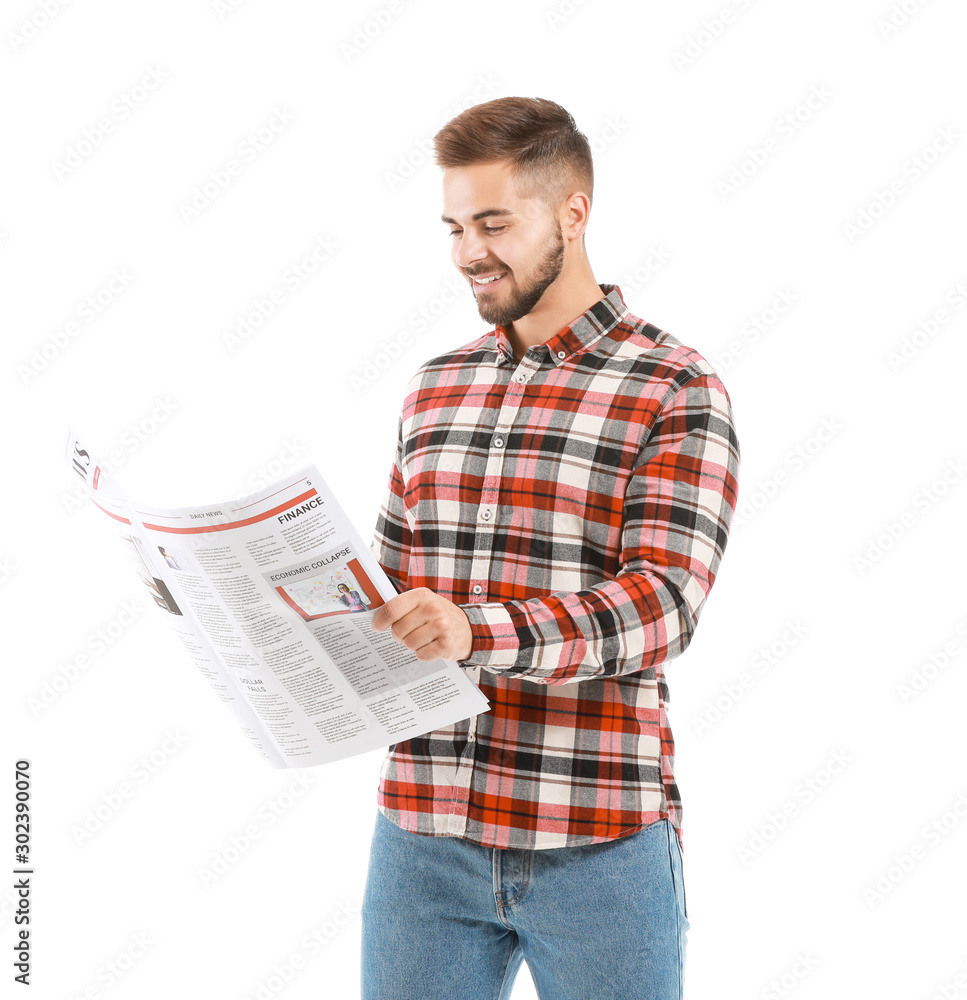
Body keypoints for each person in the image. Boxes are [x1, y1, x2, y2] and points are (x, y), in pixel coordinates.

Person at [364, 96, 740, 1000]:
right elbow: (389, 592)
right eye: (454, 226)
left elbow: (661, 608)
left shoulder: (673, 387)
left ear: (573, 213)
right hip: (423, 833)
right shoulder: (436, 387)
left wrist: (473, 633)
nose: (467, 253)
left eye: (494, 222)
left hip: (597, 839)